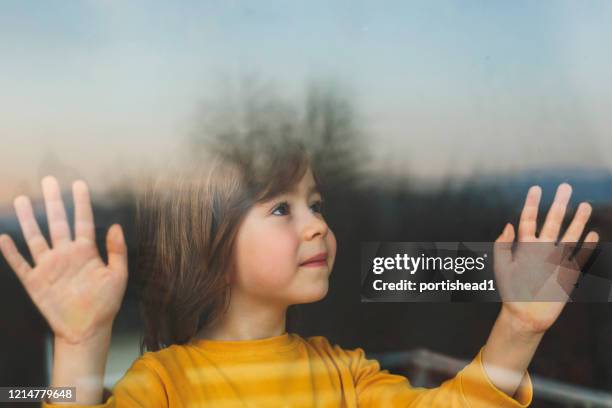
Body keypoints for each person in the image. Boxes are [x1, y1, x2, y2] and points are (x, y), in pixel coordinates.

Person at [0, 135, 599, 407]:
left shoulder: (345, 373)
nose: (315, 224)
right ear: (210, 242)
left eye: (316, 204)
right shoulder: (165, 383)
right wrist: (80, 344)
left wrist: (518, 327)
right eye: (281, 208)